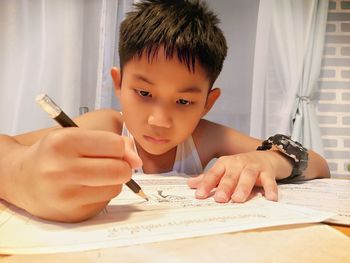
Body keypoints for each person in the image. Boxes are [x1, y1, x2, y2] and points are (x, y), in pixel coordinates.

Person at [0, 0, 330, 223]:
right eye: (143, 93)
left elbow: (319, 164)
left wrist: (270, 160)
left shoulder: (206, 136)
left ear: (208, 102)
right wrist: (21, 176)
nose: (159, 120)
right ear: (118, 83)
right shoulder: (104, 126)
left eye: (184, 102)